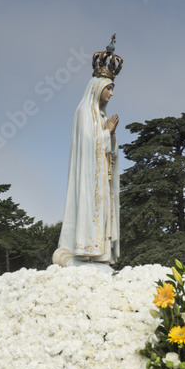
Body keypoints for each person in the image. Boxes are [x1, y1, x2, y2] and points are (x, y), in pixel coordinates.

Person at [53, 36, 123, 271]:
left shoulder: (102, 116)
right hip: (89, 177)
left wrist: (110, 135)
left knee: (102, 211)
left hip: (102, 177)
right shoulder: (85, 111)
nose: (111, 94)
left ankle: (100, 254)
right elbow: (87, 144)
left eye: (112, 89)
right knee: (89, 208)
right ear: (97, 88)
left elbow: (109, 150)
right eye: (109, 88)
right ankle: (84, 252)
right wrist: (107, 133)